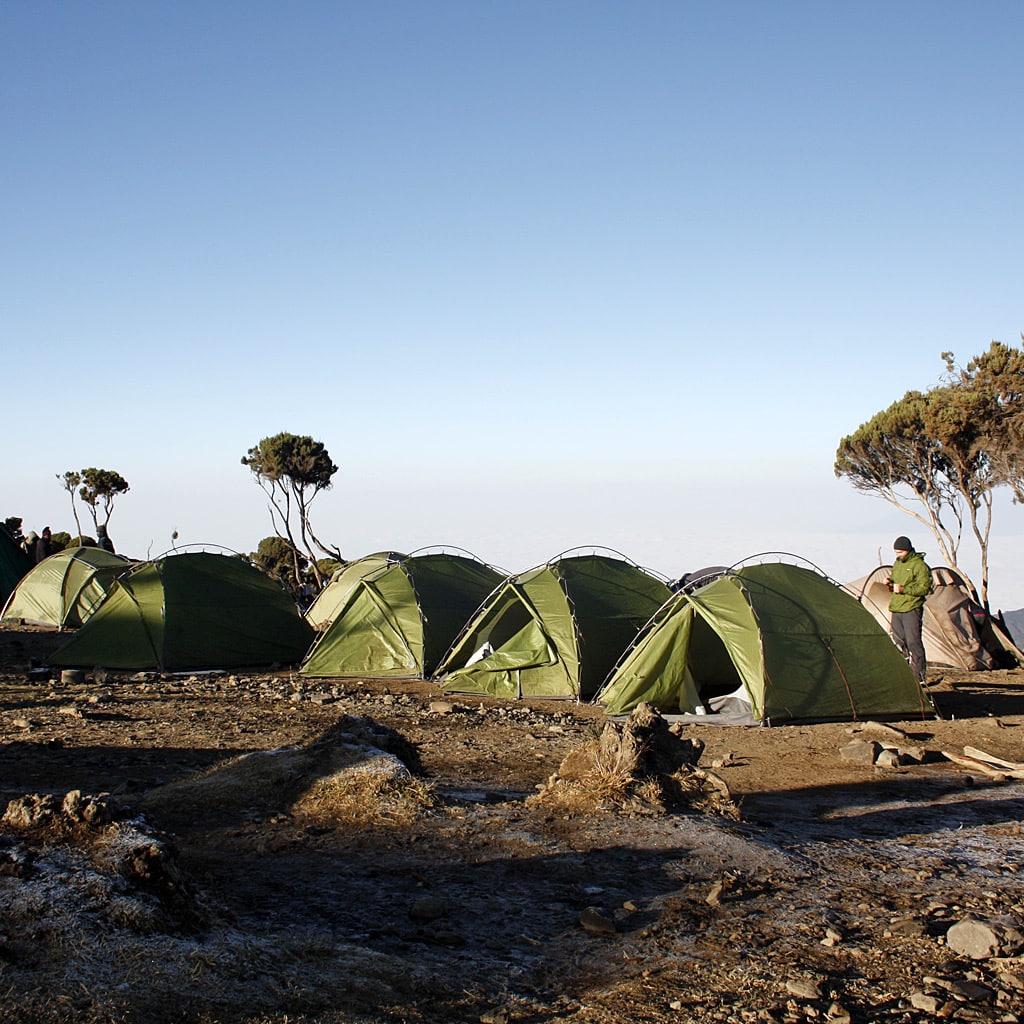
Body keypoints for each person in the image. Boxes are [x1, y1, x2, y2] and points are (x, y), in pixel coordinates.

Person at [887, 535, 932, 683]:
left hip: (911, 608)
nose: (898, 556)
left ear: (908, 550)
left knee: (913, 642)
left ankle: (919, 676)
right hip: (897, 607)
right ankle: (904, 675)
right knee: (899, 641)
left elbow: (924, 588)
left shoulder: (920, 566)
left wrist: (904, 589)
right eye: (896, 553)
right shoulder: (898, 563)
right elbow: (895, 578)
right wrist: (890, 582)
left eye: (900, 552)